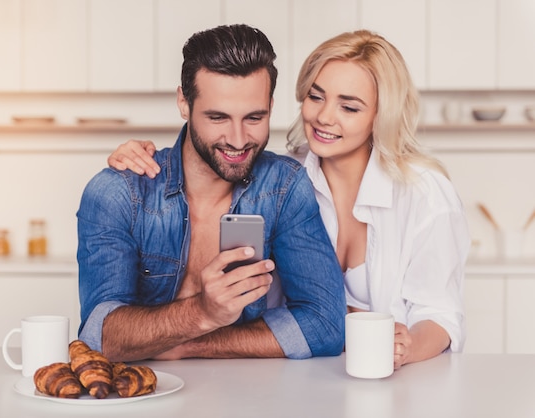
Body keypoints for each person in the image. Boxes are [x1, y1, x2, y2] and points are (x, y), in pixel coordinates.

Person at [107, 29, 470, 369]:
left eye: (350, 107)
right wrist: (145, 158)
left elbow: (439, 314)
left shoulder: (425, 193)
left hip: (386, 372)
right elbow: (211, 158)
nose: (324, 117)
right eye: (316, 96)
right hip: (298, 373)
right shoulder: (281, 179)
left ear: (381, 115)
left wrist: (407, 348)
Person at [77, 24, 346, 363]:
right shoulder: (117, 193)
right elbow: (100, 337)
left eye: (254, 117)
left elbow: (326, 326)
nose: (237, 139)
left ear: (271, 106)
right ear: (184, 103)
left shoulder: (283, 187)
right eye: (218, 117)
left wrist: (189, 343)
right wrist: (203, 314)